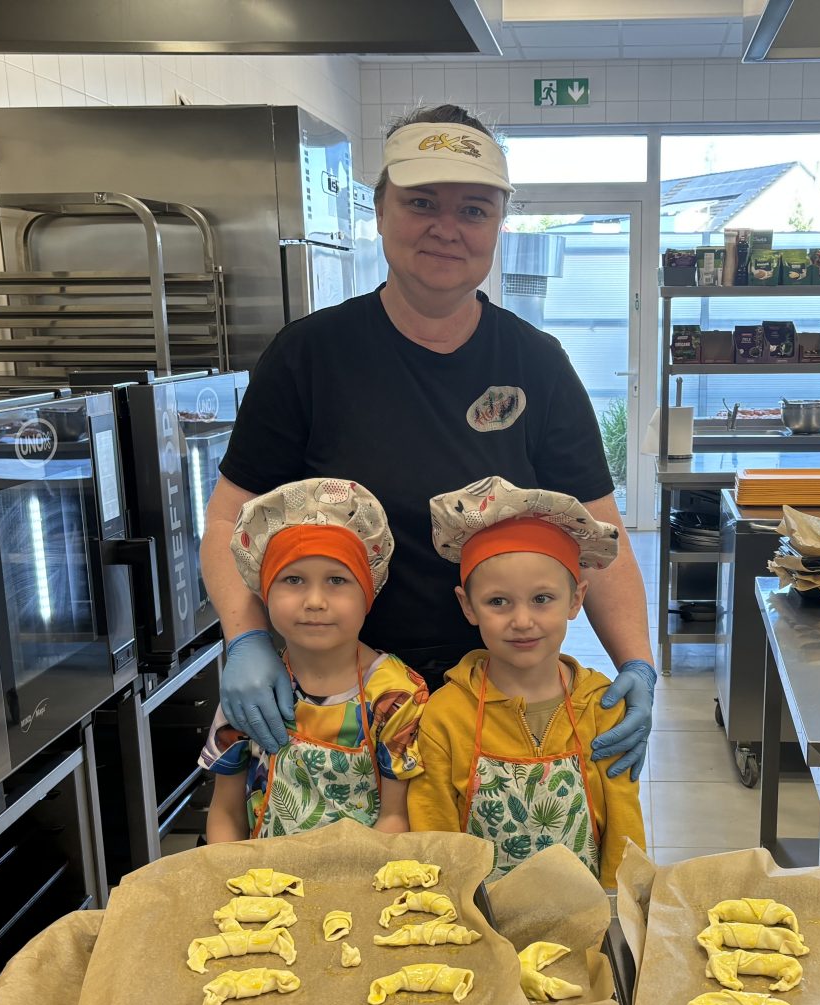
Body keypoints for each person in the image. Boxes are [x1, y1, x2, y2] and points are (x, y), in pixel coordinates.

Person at [201, 102, 655, 781]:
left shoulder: (536, 363)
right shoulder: (309, 357)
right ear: (381, 210)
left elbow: (601, 534)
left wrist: (637, 664)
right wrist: (245, 639)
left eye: (474, 210)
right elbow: (227, 521)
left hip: (497, 702)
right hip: (336, 698)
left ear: (498, 226)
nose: (447, 229)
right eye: (422, 203)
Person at [408, 477, 646, 888]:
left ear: (575, 599)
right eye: (498, 601)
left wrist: (619, 908)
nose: (521, 621)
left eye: (541, 599)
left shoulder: (602, 708)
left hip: (585, 914)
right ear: (468, 606)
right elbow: (434, 834)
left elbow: (625, 832)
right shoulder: (446, 714)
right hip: (480, 916)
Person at [197, 478, 426, 842]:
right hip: (262, 877)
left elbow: (396, 818)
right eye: (293, 580)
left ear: (368, 593)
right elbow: (225, 812)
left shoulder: (396, 696)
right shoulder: (249, 692)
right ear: (264, 592)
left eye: (337, 580)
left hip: (366, 873)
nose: (315, 601)